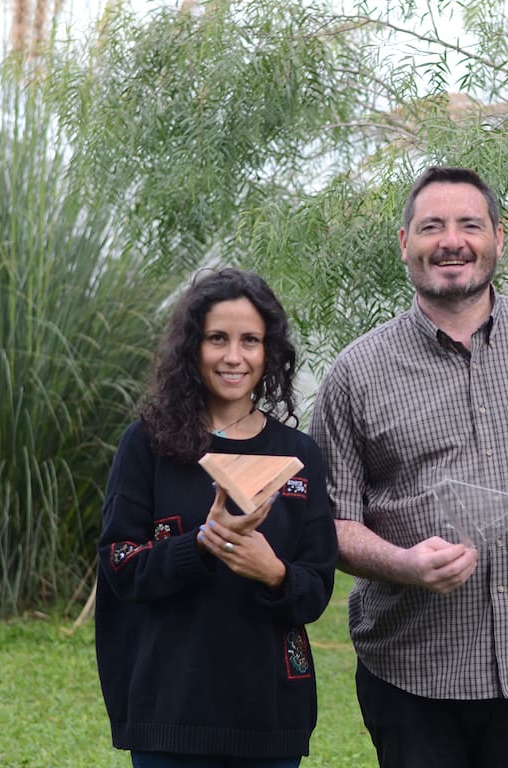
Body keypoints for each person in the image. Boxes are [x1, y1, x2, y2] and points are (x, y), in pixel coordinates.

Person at [309, 166, 508, 768]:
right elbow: (329, 523)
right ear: (405, 242)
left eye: (469, 225)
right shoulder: (356, 373)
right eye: (432, 226)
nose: (451, 241)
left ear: (498, 239)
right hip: (412, 673)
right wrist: (403, 564)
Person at [95, 268, 338, 768]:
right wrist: (203, 545)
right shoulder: (148, 445)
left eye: (250, 340)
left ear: (269, 351)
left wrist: (273, 572)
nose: (234, 356)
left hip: (271, 716)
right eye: (217, 339)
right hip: (170, 712)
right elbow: (120, 566)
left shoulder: (300, 455)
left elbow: (315, 589)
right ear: (192, 348)